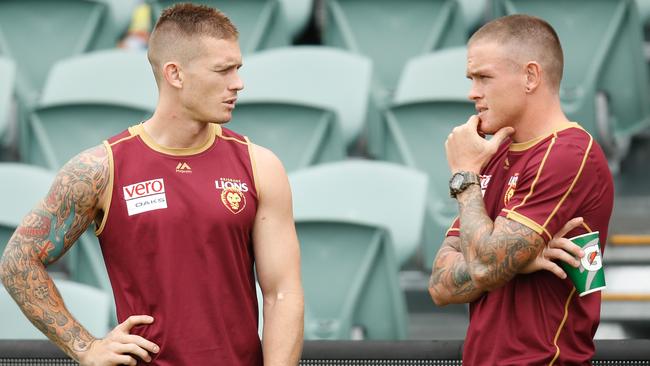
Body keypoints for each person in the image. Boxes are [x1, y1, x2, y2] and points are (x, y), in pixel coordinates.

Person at [0, 3, 303, 365]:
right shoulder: (101, 169)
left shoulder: (259, 165)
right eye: (223, 70)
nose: (238, 83)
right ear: (175, 74)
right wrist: (85, 346)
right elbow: (18, 262)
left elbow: (282, 293)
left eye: (237, 68)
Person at [428, 14, 614, 365]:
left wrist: (465, 176)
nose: (472, 92)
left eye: (484, 77)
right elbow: (439, 284)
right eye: (471, 79)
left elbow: (484, 266)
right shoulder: (492, 153)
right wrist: (513, 262)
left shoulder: (568, 154)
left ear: (530, 76)